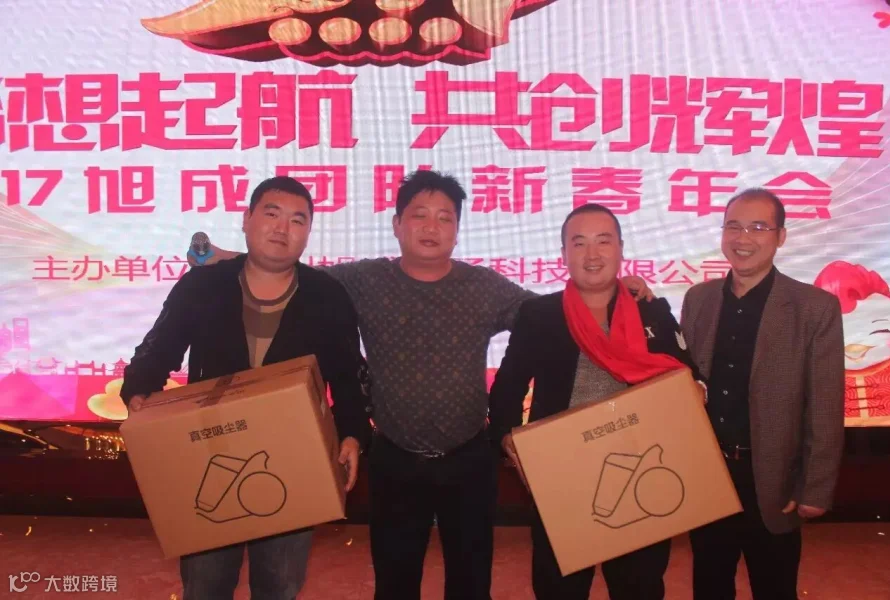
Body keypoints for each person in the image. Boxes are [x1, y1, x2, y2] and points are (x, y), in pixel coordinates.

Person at [186, 169, 653, 600]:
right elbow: (290, 273)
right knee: (395, 584)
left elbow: (555, 314)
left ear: (457, 230)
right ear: (396, 224)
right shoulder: (366, 280)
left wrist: (617, 290)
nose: (432, 227)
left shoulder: (484, 286)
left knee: (471, 585)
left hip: (469, 460)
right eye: (419, 215)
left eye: (445, 217)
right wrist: (224, 259)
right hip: (395, 461)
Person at [120, 176, 372, 600]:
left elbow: (348, 375)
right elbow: (158, 348)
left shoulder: (326, 296)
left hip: (294, 459)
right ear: (246, 219)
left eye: (297, 220)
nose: (282, 228)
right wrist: (139, 391)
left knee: (280, 585)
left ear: (308, 232)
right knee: (205, 585)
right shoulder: (203, 285)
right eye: (272, 214)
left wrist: (353, 434)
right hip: (209, 455)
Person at [488, 203, 703, 600]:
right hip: (564, 478)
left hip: (638, 470)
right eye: (579, 243)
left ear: (620, 249)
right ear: (563, 254)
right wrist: (507, 438)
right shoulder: (540, 314)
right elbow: (507, 388)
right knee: (559, 590)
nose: (592, 254)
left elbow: (689, 376)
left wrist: (694, 393)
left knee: (639, 588)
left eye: (603, 241)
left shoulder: (650, 310)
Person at [680, 188, 845, 600]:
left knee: (775, 588)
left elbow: (825, 404)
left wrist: (815, 489)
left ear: (781, 236)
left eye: (758, 228)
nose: (743, 238)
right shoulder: (699, 299)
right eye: (733, 227)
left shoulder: (814, 308)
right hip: (710, 476)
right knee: (709, 586)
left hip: (774, 479)